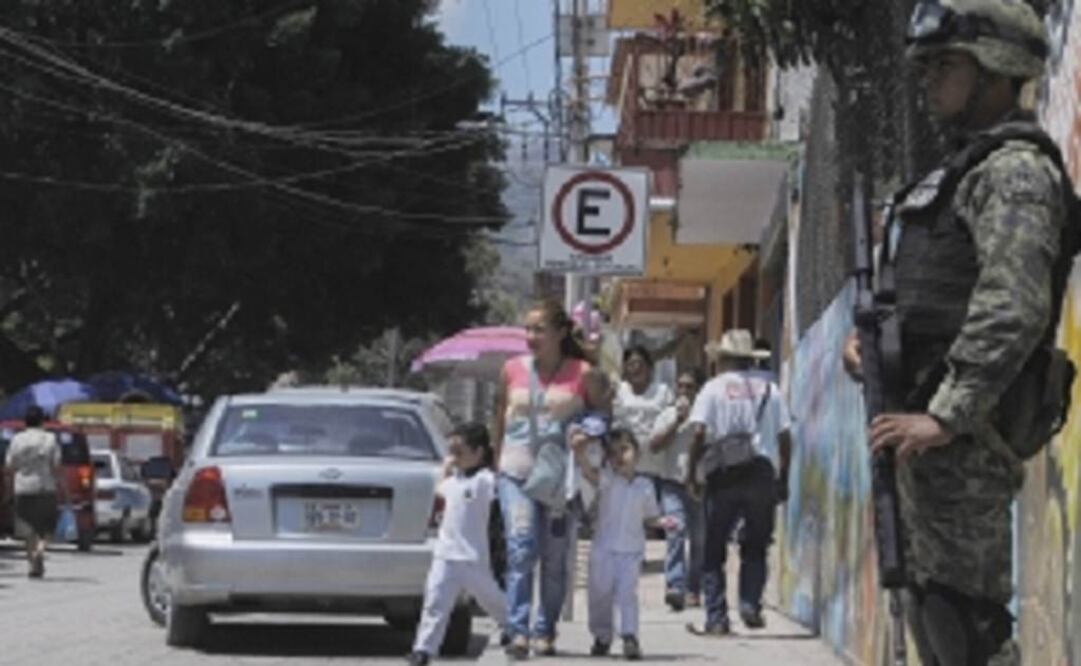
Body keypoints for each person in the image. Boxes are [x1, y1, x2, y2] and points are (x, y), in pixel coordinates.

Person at [843, 2, 1070, 663]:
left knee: (964, 626)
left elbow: (1012, 306)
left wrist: (943, 416)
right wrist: (872, 350)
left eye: (946, 65)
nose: (928, 80)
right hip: (920, 432)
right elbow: (926, 300)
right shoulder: (959, 172)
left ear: (996, 70)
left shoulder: (1014, 171)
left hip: (962, 439)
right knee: (928, 612)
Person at [492, 298, 591, 658]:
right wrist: (494, 465)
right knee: (520, 549)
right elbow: (500, 419)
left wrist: (587, 433)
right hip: (515, 474)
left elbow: (604, 418)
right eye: (528, 328)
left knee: (554, 558)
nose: (531, 336)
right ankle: (517, 630)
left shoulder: (584, 373)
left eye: (539, 329)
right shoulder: (511, 369)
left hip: (558, 482)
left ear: (561, 333)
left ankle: (545, 629)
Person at [686, 330, 792, 635]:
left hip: (724, 476)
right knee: (756, 544)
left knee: (713, 549)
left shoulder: (712, 389)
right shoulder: (770, 389)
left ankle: (717, 618)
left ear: (722, 359)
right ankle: (749, 604)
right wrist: (782, 478)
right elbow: (785, 437)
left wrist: (692, 472)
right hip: (761, 473)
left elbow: (697, 433)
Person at [408, 423, 505, 666]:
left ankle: (514, 627)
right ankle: (424, 650)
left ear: (478, 452)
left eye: (460, 451)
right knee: (435, 603)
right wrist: (446, 468)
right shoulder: (454, 481)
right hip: (445, 555)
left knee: (491, 599)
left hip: (472, 557)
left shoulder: (485, 480)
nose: (454, 456)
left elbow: (498, 490)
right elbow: (440, 490)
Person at [572, 427, 664, 661]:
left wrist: (664, 522)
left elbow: (651, 516)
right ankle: (602, 636)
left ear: (637, 453)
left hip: (631, 551)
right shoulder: (607, 480)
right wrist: (580, 451)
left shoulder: (645, 485)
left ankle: (630, 636)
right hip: (603, 549)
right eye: (612, 454)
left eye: (624, 450)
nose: (619, 457)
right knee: (600, 595)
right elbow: (588, 471)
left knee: (627, 594)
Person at [612, 345, 675, 607]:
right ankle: (632, 557)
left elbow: (671, 420)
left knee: (651, 516)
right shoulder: (620, 392)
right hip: (626, 464)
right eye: (631, 364)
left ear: (649, 367)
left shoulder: (662, 392)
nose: (635, 368)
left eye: (640, 363)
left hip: (655, 463)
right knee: (627, 513)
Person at [647, 369, 706, 610]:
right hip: (671, 484)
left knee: (700, 539)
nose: (683, 391)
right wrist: (677, 422)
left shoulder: (705, 414)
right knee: (675, 532)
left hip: (700, 486)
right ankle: (675, 586)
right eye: (680, 386)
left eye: (689, 387)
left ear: (697, 390)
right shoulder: (667, 415)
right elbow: (654, 445)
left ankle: (694, 588)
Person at [3, 405, 69, 578]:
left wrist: (9, 490)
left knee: (28, 529)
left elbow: (9, 466)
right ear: (42, 421)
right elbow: (56, 467)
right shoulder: (50, 439)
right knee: (47, 527)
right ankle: (40, 551)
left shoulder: (17, 440)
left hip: (22, 488)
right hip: (45, 488)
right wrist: (64, 489)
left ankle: (33, 564)